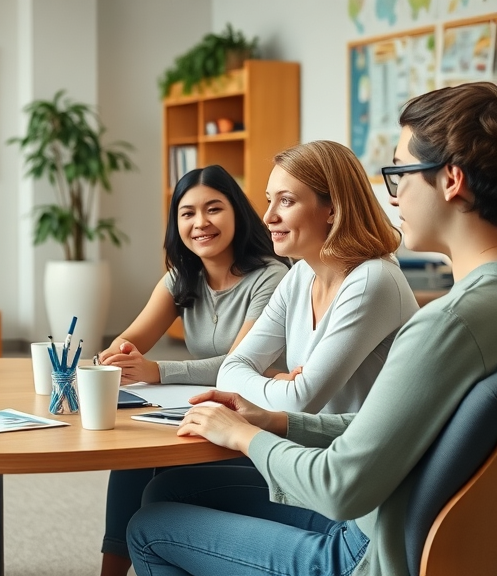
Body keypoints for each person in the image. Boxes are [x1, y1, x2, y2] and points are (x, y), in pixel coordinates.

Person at [127, 81, 497, 576]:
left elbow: (341, 485)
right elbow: (403, 431)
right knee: (167, 489)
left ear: (451, 181)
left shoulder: (447, 322)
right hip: (385, 508)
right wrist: (278, 421)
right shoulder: (476, 308)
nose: (392, 196)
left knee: (149, 528)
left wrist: (242, 436)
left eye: (399, 174)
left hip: (366, 544)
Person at [95, 164, 289, 576]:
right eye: (187, 213)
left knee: (149, 465)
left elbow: (237, 367)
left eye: (213, 209)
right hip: (202, 411)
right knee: (132, 455)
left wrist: (156, 371)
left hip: (253, 422)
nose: (200, 223)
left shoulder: (271, 278)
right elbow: (128, 343)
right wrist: (114, 358)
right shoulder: (181, 279)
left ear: (237, 211)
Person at [216, 140, 417, 414]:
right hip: (310, 444)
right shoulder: (300, 275)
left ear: (333, 209)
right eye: (269, 200)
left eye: (286, 201)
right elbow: (229, 370)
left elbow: (299, 402)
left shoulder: (373, 279)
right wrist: (282, 386)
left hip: (358, 454)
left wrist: (281, 390)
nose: (268, 216)